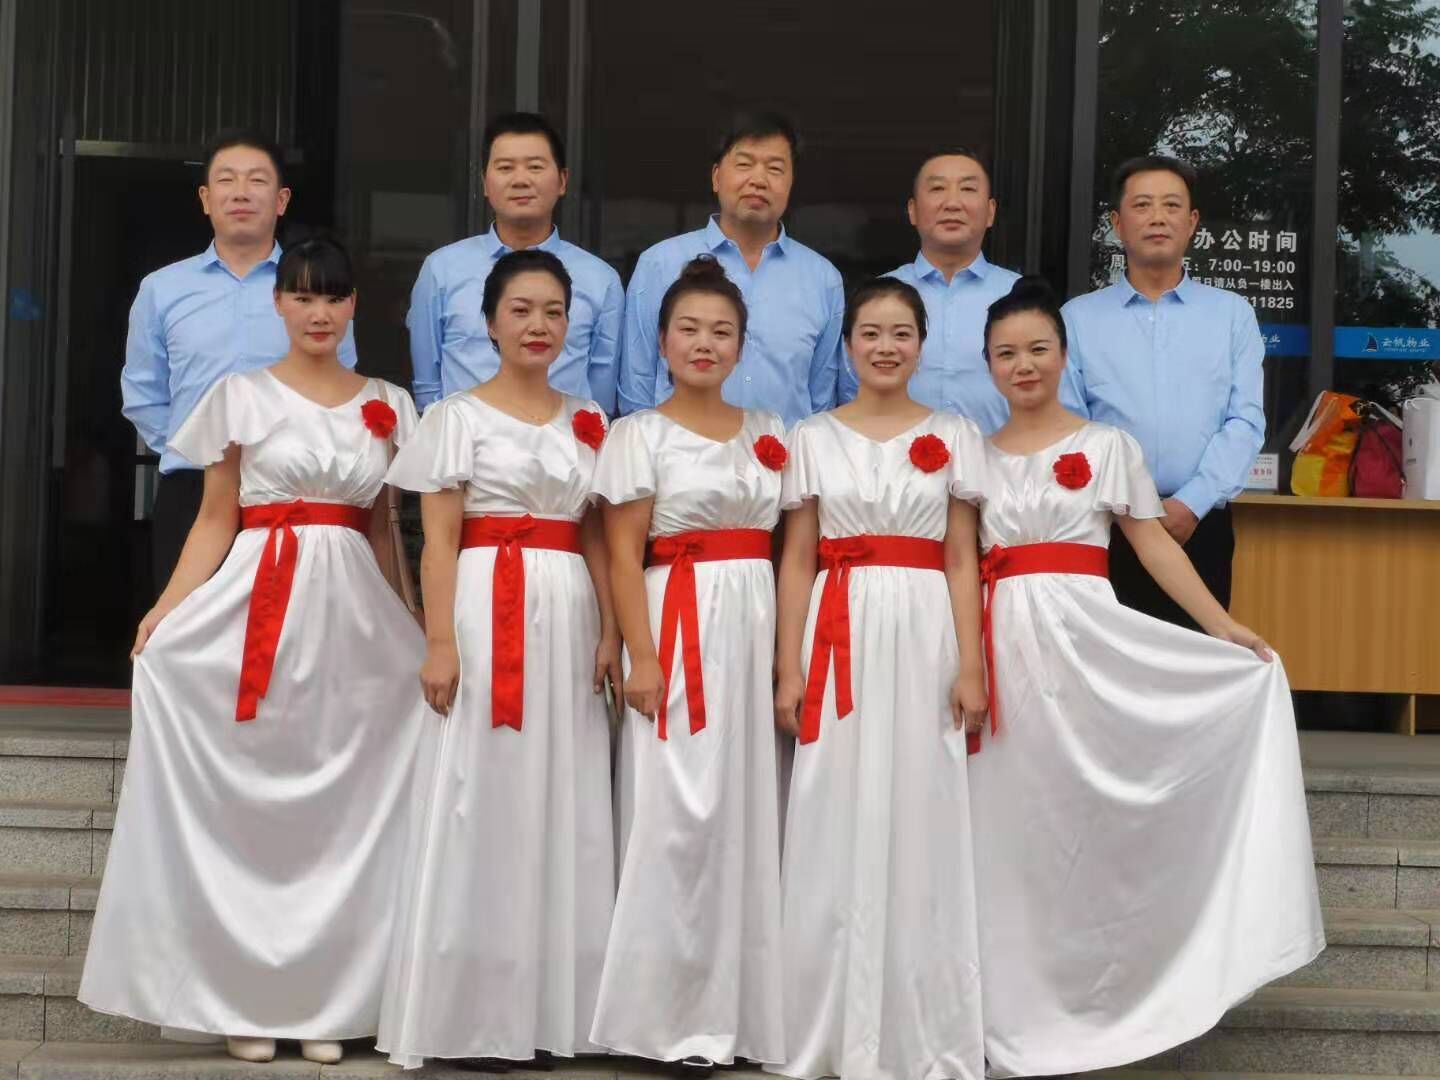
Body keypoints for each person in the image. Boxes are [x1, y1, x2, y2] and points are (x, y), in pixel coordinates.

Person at [79, 237, 430, 1067]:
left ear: (353, 308)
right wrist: (166, 610)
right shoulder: (238, 395)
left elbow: (385, 531)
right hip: (256, 602)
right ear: (279, 304)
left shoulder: (389, 403)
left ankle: (327, 1001)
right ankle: (246, 997)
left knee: (341, 808)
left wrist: (415, 627)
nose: (318, 312)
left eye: (333, 297)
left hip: (353, 618)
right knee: (257, 802)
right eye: (303, 296)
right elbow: (215, 518)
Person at [968, 277, 1323, 1077]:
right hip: (997, 646)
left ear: (1064, 356)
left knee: (1080, 812)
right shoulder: (972, 456)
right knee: (1006, 825)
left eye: (1038, 349)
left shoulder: (1107, 447)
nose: (1024, 365)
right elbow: (959, 563)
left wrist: (1221, 626)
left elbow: (1153, 543)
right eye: (1007, 354)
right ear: (987, 365)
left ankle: (1107, 987)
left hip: (1084, 641)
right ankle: (1003, 999)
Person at [377, 249, 621, 1071]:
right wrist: (441, 641)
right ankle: (473, 1016)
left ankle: (553, 1012)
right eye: (521, 310)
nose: (538, 326)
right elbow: (438, 539)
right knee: (478, 792)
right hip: (487, 606)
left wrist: (611, 631)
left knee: (563, 790)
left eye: (553, 311)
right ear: (489, 323)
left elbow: (597, 535)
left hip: (568, 608)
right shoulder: (456, 418)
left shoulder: (589, 419)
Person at [770, 278, 988, 1080]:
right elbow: (797, 558)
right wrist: (787, 666)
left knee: (922, 803)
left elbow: (961, 556)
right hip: (839, 627)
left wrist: (971, 663)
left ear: (922, 345)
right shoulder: (812, 437)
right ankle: (824, 1022)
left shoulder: (955, 434)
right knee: (832, 799)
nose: (886, 347)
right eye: (870, 333)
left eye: (901, 333)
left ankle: (917, 1022)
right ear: (848, 345)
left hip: (926, 628)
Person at [589, 256, 785, 1072]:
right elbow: (622, 553)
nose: (705, 344)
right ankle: (660, 1017)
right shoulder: (638, 434)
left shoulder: (771, 431)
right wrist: (642, 655)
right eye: (689, 330)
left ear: (741, 345)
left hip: (753, 624)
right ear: (663, 342)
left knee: (744, 811)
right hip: (677, 621)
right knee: (674, 815)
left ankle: (738, 1012)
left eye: (722, 332)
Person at [121, 129, 358, 589]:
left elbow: (340, 380)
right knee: (186, 624)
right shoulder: (162, 289)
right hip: (193, 491)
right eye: (227, 180)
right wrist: (195, 448)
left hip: (292, 490)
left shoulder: (315, 290)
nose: (241, 192)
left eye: (257, 180)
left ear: (282, 200)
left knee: (288, 627)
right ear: (206, 199)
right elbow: (143, 392)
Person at [1061, 154, 1265, 628]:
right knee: (1110, 659)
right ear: (1117, 224)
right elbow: (1070, 425)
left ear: (1191, 222)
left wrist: (1191, 502)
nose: (1157, 217)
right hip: (1105, 525)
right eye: (1142, 205)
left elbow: (1246, 420)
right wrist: (1127, 508)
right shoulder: (1078, 318)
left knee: (1197, 659)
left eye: (1171, 205)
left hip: (1199, 525)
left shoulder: (1231, 315)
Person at [618, 112, 848, 427]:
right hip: (675, 453)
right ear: (716, 177)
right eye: (744, 164)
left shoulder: (823, 279)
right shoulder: (659, 264)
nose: (758, 180)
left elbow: (821, 401)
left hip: (784, 454)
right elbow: (637, 386)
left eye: (775, 168)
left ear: (791, 183)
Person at [408, 111, 624, 412]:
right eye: (505, 168)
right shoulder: (441, 270)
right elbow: (428, 388)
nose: (521, 180)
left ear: (562, 180)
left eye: (535, 167)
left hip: (564, 438)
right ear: (485, 183)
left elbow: (600, 395)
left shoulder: (601, 279)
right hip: (466, 438)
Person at [886, 149, 1021, 433]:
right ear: (912, 210)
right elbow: (852, 393)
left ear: (991, 212)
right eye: (937, 189)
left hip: (999, 459)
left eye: (968, 189)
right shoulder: (880, 296)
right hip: (893, 460)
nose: (952, 203)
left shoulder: (1022, 297)